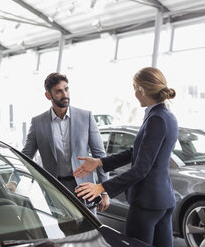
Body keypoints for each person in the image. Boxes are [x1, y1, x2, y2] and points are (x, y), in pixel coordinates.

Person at [73, 67, 178, 247]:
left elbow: (140, 169)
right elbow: (135, 152)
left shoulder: (156, 119)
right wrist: (99, 162)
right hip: (162, 200)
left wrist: (101, 187)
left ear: (141, 90)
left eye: (134, 87)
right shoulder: (166, 116)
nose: (134, 92)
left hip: (147, 203)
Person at [20, 72, 110, 212]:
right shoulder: (38, 122)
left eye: (66, 89)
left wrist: (104, 191)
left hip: (84, 189)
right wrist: (14, 181)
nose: (65, 95)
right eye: (59, 91)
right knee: (60, 232)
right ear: (48, 95)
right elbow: (25, 156)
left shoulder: (85, 117)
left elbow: (100, 155)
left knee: (90, 232)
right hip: (54, 190)